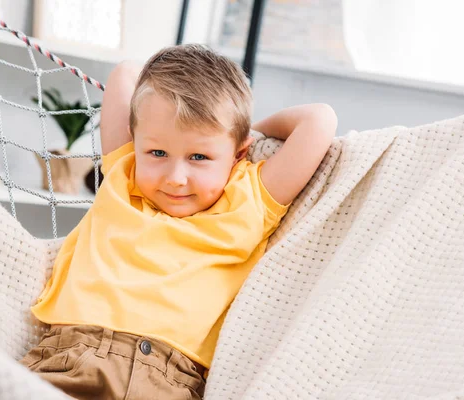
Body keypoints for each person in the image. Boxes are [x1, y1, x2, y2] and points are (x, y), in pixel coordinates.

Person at [20, 44, 337, 399]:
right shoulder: (125, 175)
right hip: (70, 358)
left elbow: (319, 120)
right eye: (158, 152)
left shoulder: (248, 200)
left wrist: (246, 130)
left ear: (239, 155)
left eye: (199, 156)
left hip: (170, 382)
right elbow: (126, 72)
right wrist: (219, 136)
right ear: (136, 143)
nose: (175, 177)